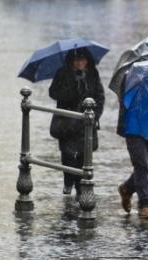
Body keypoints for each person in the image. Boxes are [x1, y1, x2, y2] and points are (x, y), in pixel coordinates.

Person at [49, 48, 105, 197]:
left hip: (86, 123)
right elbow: (53, 92)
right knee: (67, 154)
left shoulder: (93, 74)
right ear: (72, 61)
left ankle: (81, 188)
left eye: (83, 59)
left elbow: (100, 96)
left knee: (84, 156)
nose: (80, 62)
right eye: (77, 60)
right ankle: (68, 181)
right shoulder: (62, 73)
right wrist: (71, 88)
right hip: (67, 122)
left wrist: (95, 116)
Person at [116, 73, 148, 219]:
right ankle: (145, 204)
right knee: (141, 165)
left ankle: (127, 188)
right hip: (133, 126)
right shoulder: (129, 76)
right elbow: (125, 99)